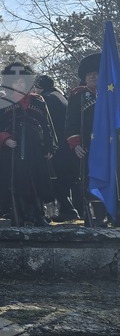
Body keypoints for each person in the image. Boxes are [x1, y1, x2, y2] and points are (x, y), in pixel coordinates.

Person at [0, 62, 56, 226]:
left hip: (35, 147)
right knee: (17, 181)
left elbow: (47, 125)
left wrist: (49, 147)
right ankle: (19, 213)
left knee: (37, 179)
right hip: (13, 149)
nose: (20, 84)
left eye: (23, 81)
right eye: (16, 82)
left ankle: (38, 214)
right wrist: (5, 138)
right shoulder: (2, 102)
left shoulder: (39, 101)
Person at [34, 74, 79, 222]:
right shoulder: (59, 96)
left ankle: (67, 209)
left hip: (58, 146)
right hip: (67, 146)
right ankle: (74, 209)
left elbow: (47, 125)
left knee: (56, 179)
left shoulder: (47, 99)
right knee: (68, 179)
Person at [65, 53, 100, 223]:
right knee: (89, 179)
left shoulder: (112, 94)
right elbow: (70, 121)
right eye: (89, 73)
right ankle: (93, 215)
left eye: (96, 72)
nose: (93, 76)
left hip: (111, 145)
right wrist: (75, 143)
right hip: (88, 145)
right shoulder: (78, 95)